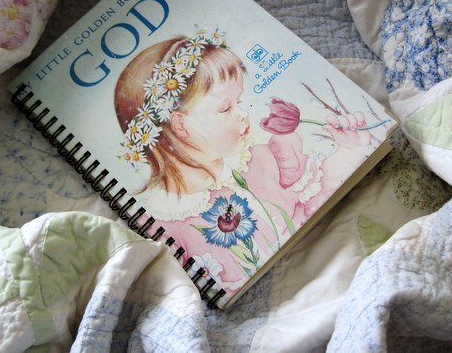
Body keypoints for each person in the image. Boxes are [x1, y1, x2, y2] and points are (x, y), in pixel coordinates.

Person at [113, 29, 374, 297]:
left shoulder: (261, 159)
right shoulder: (157, 224)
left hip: (325, 267)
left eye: (239, 102)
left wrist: (349, 150)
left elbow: (314, 203)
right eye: (226, 108)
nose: (243, 114)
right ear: (180, 126)